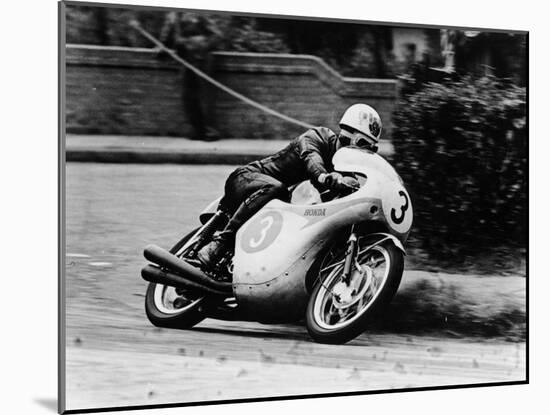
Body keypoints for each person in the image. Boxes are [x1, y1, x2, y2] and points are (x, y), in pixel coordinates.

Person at [197, 103, 383, 271]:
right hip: (246, 179)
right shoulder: (318, 137)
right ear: (349, 136)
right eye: (363, 144)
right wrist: (325, 177)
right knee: (277, 189)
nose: (366, 152)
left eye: (371, 149)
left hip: (274, 207)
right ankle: (221, 243)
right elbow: (310, 158)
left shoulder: (343, 171)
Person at [158, 11, 222, 140]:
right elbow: (166, 39)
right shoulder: (172, 16)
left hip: (202, 59)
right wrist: (161, 49)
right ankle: (197, 130)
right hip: (185, 60)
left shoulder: (199, 14)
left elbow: (217, 35)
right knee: (188, 96)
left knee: (204, 95)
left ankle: (210, 131)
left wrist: (198, 46)